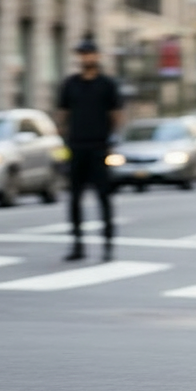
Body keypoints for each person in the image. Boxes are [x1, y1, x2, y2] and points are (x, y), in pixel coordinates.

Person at [56, 39, 123, 263]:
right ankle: (77, 245)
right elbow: (62, 114)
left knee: (104, 198)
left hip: (99, 147)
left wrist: (109, 139)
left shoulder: (107, 84)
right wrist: (63, 138)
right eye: (82, 54)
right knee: (74, 199)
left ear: (97, 56)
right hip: (76, 147)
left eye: (89, 54)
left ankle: (107, 245)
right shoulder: (70, 84)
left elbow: (116, 115)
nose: (85, 58)